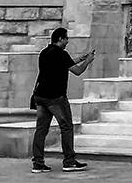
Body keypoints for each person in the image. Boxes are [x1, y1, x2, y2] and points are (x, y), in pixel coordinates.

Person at [31, 26, 95, 173]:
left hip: (40, 96)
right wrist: (88, 61)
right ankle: (69, 161)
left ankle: (38, 163)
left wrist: (81, 58)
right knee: (66, 127)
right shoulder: (61, 54)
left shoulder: (44, 52)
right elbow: (77, 71)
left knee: (41, 130)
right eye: (66, 38)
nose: (68, 41)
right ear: (60, 39)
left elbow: (65, 64)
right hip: (55, 98)